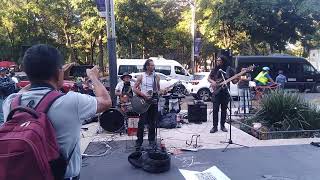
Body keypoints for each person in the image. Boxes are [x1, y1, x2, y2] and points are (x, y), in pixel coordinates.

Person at [2, 44, 112, 179]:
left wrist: (51, 74)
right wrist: (93, 77)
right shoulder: (72, 102)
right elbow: (106, 101)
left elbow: (25, 90)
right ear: (58, 72)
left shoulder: (11, 102)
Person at [133, 59, 160, 150]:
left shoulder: (156, 77)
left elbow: (158, 90)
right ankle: (139, 142)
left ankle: (151, 141)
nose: (153, 67)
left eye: (153, 65)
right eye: (151, 65)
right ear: (147, 66)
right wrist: (143, 95)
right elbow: (134, 88)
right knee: (141, 123)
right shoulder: (142, 76)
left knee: (152, 123)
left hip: (153, 102)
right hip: (144, 102)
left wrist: (160, 92)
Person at [208, 56, 237, 133]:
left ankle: (222, 126)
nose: (217, 62)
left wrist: (239, 77)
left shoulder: (229, 70)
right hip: (216, 93)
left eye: (219, 60)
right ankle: (214, 127)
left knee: (224, 110)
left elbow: (234, 81)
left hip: (225, 92)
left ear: (223, 61)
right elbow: (209, 78)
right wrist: (213, 82)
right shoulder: (215, 69)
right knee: (215, 109)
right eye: (217, 60)